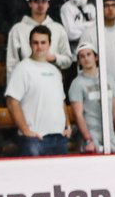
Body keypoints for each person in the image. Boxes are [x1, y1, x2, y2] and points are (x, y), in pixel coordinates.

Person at [5, 25, 71, 157]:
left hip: (59, 137)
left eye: (43, 42)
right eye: (36, 42)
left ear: (49, 44)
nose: (39, 46)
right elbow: (12, 102)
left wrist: (67, 126)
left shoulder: (55, 71)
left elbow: (61, 101)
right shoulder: (22, 68)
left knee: (60, 178)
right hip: (35, 139)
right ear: (30, 44)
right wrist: (25, 130)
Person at [68, 41, 115, 153]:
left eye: (89, 54)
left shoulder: (108, 78)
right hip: (92, 134)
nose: (86, 58)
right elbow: (78, 114)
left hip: (110, 134)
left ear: (96, 57)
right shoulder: (77, 83)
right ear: (79, 61)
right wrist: (88, 139)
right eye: (82, 56)